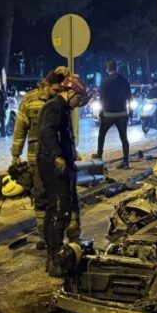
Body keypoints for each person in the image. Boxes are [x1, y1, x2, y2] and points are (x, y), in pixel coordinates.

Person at [11, 67, 67, 248]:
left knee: (57, 198)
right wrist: (16, 153)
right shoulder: (30, 100)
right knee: (41, 197)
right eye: (55, 90)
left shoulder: (60, 102)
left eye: (60, 91)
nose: (57, 94)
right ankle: (43, 235)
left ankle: (55, 234)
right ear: (46, 85)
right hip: (37, 159)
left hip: (58, 158)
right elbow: (20, 127)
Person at [37, 74, 88, 276]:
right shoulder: (54, 107)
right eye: (79, 98)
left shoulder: (62, 109)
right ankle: (55, 259)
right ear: (71, 92)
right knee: (60, 213)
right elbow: (46, 133)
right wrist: (58, 156)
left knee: (54, 213)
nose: (79, 103)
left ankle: (52, 258)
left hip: (58, 166)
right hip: (53, 168)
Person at [94, 61, 131, 168]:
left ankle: (99, 155)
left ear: (107, 69)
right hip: (122, 113)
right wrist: (130, 113)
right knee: (124, 137)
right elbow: (129, 97)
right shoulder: (124, 81)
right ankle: (126, 161)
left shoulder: (105, 82)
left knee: (102, 134)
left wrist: (101, 113)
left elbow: (102, 99)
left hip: (109, 114)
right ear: (117, 68)